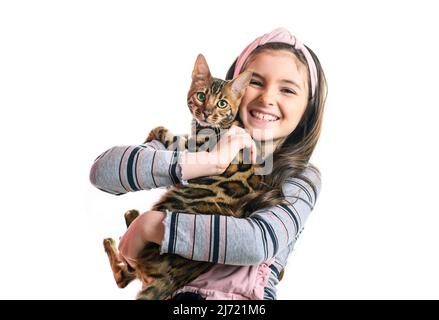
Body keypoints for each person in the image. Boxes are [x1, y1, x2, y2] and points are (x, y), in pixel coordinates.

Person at [89, 27, 327, 300]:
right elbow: (102, 172)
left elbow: (256, 242)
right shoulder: (195, 148)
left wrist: (151, 226)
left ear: (308, 107)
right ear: (235, 91)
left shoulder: (300, 177)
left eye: (287, 89)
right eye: (256, 83)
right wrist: (208, 161)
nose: (267, 98)